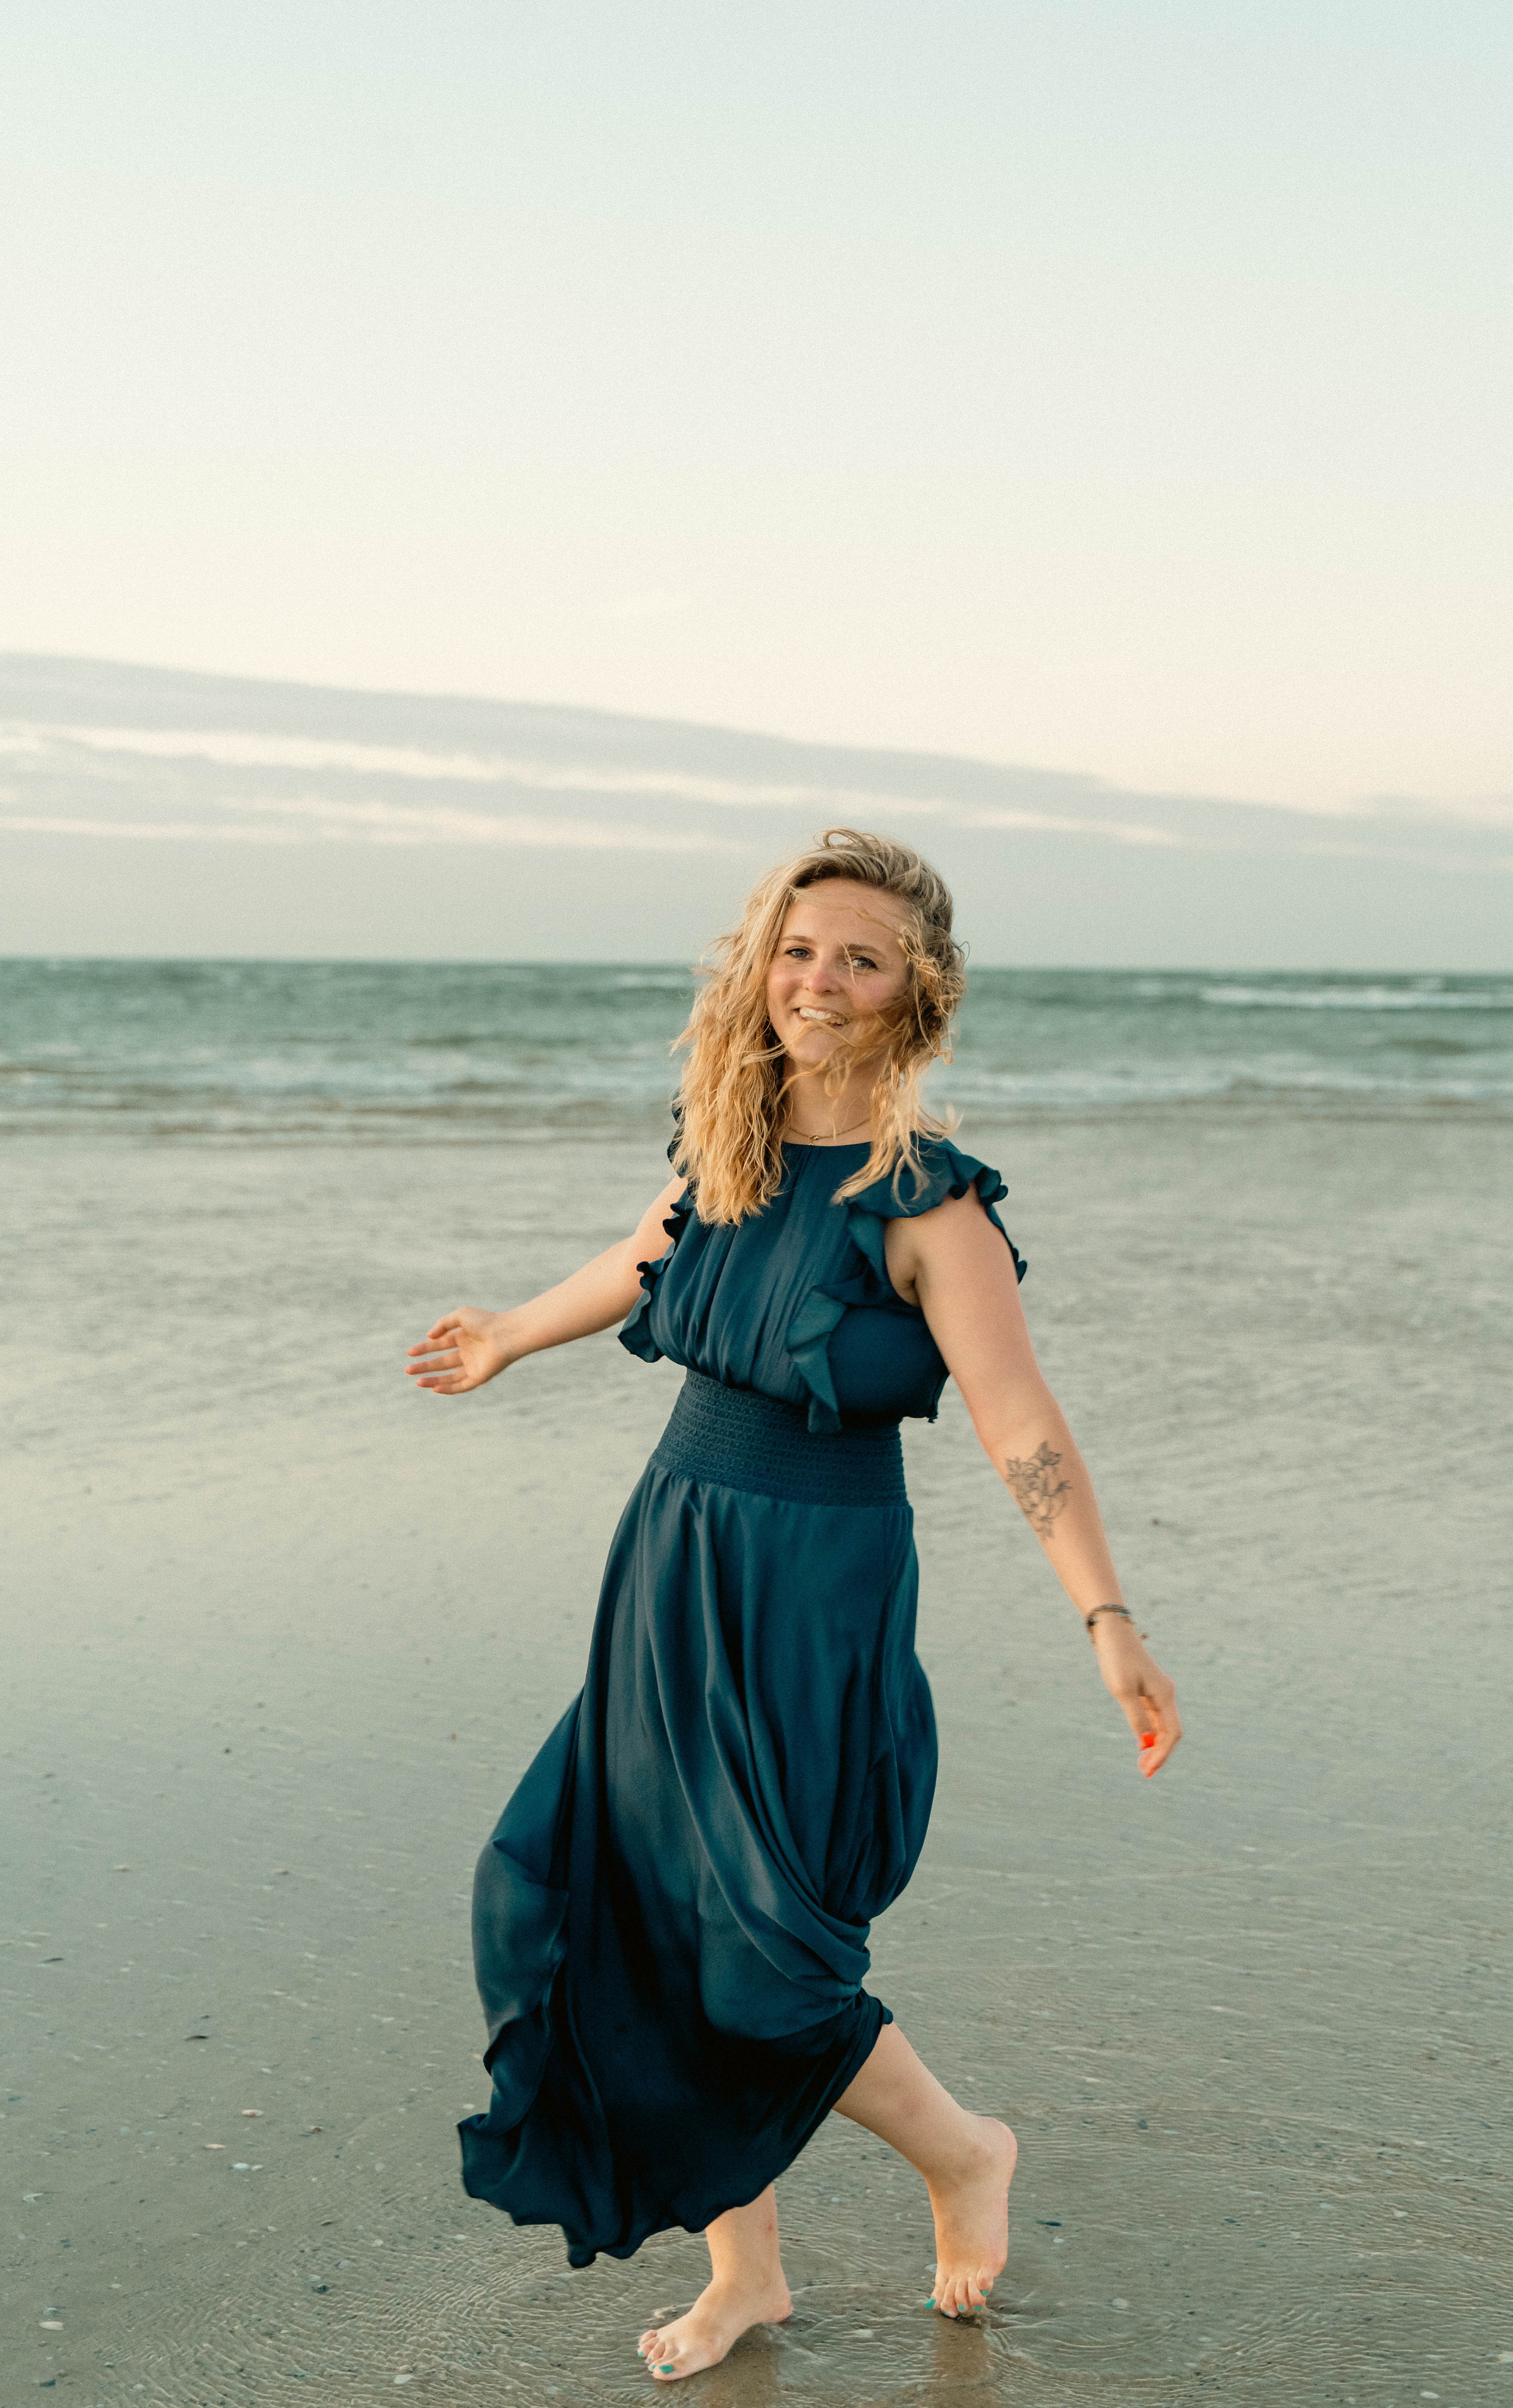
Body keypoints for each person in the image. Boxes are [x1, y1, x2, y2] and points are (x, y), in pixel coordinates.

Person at [406, 828, 1181, 2383]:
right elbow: (640, 1267)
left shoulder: (928, 1211)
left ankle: (963, 2154)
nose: (818, 981)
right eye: (799, 948)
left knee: (762, 1955)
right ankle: (745, 2270)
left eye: (860, 959)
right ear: (761, 963)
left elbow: (1021, 1425)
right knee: (629, 1916)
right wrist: (505, 1333)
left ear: (915, 996)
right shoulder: (722, 1151)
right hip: (672, 1561)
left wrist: (1105, 1620)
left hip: (814, 1588)